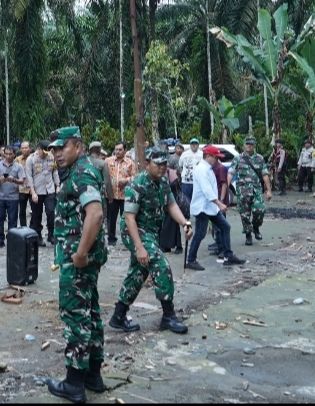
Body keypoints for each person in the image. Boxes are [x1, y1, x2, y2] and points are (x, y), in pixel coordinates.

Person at [45, 126, 108, 403]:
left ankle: (73, 383)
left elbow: (95, 214)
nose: (58, 153)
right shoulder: (79, 170)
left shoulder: (82, 172)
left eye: (63, 147)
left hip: (79, 260)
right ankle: (93, 375)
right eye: (54, 149)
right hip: (84, 258)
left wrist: (80, 253)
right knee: (90, 312)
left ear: (78, 146)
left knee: (75, 316)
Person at [109, 147, 193, 335]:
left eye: (165, 163)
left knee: (138, 272)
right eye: (158, 164)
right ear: (147, 164)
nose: (163, 167)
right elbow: (129, 218)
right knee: (161, 264)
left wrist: (185, 223)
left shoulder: (163, 182)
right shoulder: (137, 184)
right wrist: (139, 247)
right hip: (135, 230)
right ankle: (168, 315)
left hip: (151, 232)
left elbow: (171, 204)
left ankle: (119, 315)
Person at [185, 146, 246, 270]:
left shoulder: (208, 168)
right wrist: (219, 203)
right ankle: (191, 260)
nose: (217, 160)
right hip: (203, 207)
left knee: (225, 227)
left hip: (211, 206)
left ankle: (228, 256)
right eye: (216, 157)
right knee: (200, 234)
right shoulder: (201, 169)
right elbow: (207, 190)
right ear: (208, 156)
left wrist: (217, 204)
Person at [229, 136, 274, 247]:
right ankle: (248, 234)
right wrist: (226, 188)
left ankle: (256, 227)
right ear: (244, 145)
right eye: (247, 144)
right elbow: (230, 173)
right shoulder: (238, 158)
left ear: (254, 146)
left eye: (251, 144)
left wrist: (269, 191)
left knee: (260, 210)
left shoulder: (259, 158)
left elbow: (265, 174)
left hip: (256, 190)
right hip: (242, 191)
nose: (249, 146)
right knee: (244, 214)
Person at [27, 140, 61, 247]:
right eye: (44, 152)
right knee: (37, 215)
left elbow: (55, 172)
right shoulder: (31, 159)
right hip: (37, 191)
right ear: (39, 149)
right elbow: (29, 177)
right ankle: (38, 236)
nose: (46, 155)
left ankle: (51, 234)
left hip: (49, 190)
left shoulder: (51, 157)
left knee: (51, 212)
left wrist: (57, 185)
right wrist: (33, 193)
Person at [0, 146, 26, 247]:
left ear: (14, 154)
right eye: (6, 154)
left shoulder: (18, 166)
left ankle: (12, 240)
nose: (8, 156)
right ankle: (0, 239)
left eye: (10, 154)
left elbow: (22, 180)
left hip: (13, 197)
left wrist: (13, 179)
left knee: (13, 220)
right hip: (0, 196)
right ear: (3, 154)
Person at [104, 143, 137, 246]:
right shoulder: (108, 161)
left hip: (125, 195)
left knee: (126, 218)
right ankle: (111, 238)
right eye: (116, 149)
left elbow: (135, 177)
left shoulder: (130, 163)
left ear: (125, 150)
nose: (117, 152)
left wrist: (126, 180)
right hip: (111, 195)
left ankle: (126, 238)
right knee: (111, 218)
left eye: (120, 150)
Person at [86, 142, 113, 211]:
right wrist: (110, 196)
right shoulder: (102, 164)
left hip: (85, 193)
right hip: (98, 194)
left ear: (89, 151)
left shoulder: (84, 162)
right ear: (99, 151)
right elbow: (107, 181)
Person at [16, 141, 33, 228]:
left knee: (35, 210)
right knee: (22, 210)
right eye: (22, 148)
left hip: (33, 188)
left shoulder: (34, 158)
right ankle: (23, 228)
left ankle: (33, 227)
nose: (24, 150)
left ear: (30, 148)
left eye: (26, 148)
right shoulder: (17, 160)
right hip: (22, 188)